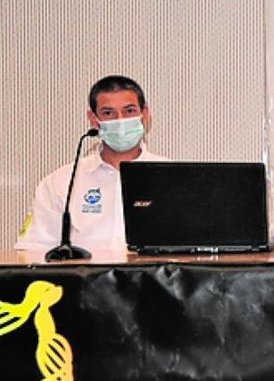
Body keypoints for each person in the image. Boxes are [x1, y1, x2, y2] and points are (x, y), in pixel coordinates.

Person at [15, 76, 168, 252]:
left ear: (145, 114)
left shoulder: (172, 178)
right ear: (94, 119)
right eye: (108, 113)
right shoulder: (61, 182)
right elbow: (31, 251)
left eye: (129, 111)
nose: (120, 121)